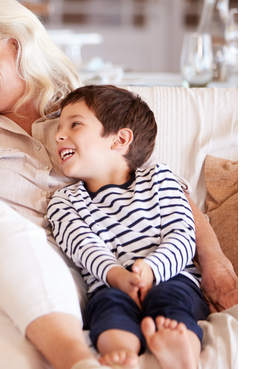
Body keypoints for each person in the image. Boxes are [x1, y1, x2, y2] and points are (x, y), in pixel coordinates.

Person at [0, 0, 237, 369]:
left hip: (62, 277)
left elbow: (161, 190)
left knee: (1, 332)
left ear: (15, 44)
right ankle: (79, 362)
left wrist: (215, 262)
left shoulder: (86, 118)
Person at [47, 85, 209, 369]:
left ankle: (182, 350)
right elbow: (83, 246)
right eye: (59, 127)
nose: (59, 135)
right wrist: (119, 277)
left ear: (120, 139)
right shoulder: (64, 201)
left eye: (74, 124)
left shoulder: (160, 178)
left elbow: (182, 235)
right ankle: (122, 353)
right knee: (109, 306)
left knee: (172, 300)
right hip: (110, 284)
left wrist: (151, 270)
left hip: (171, 278)